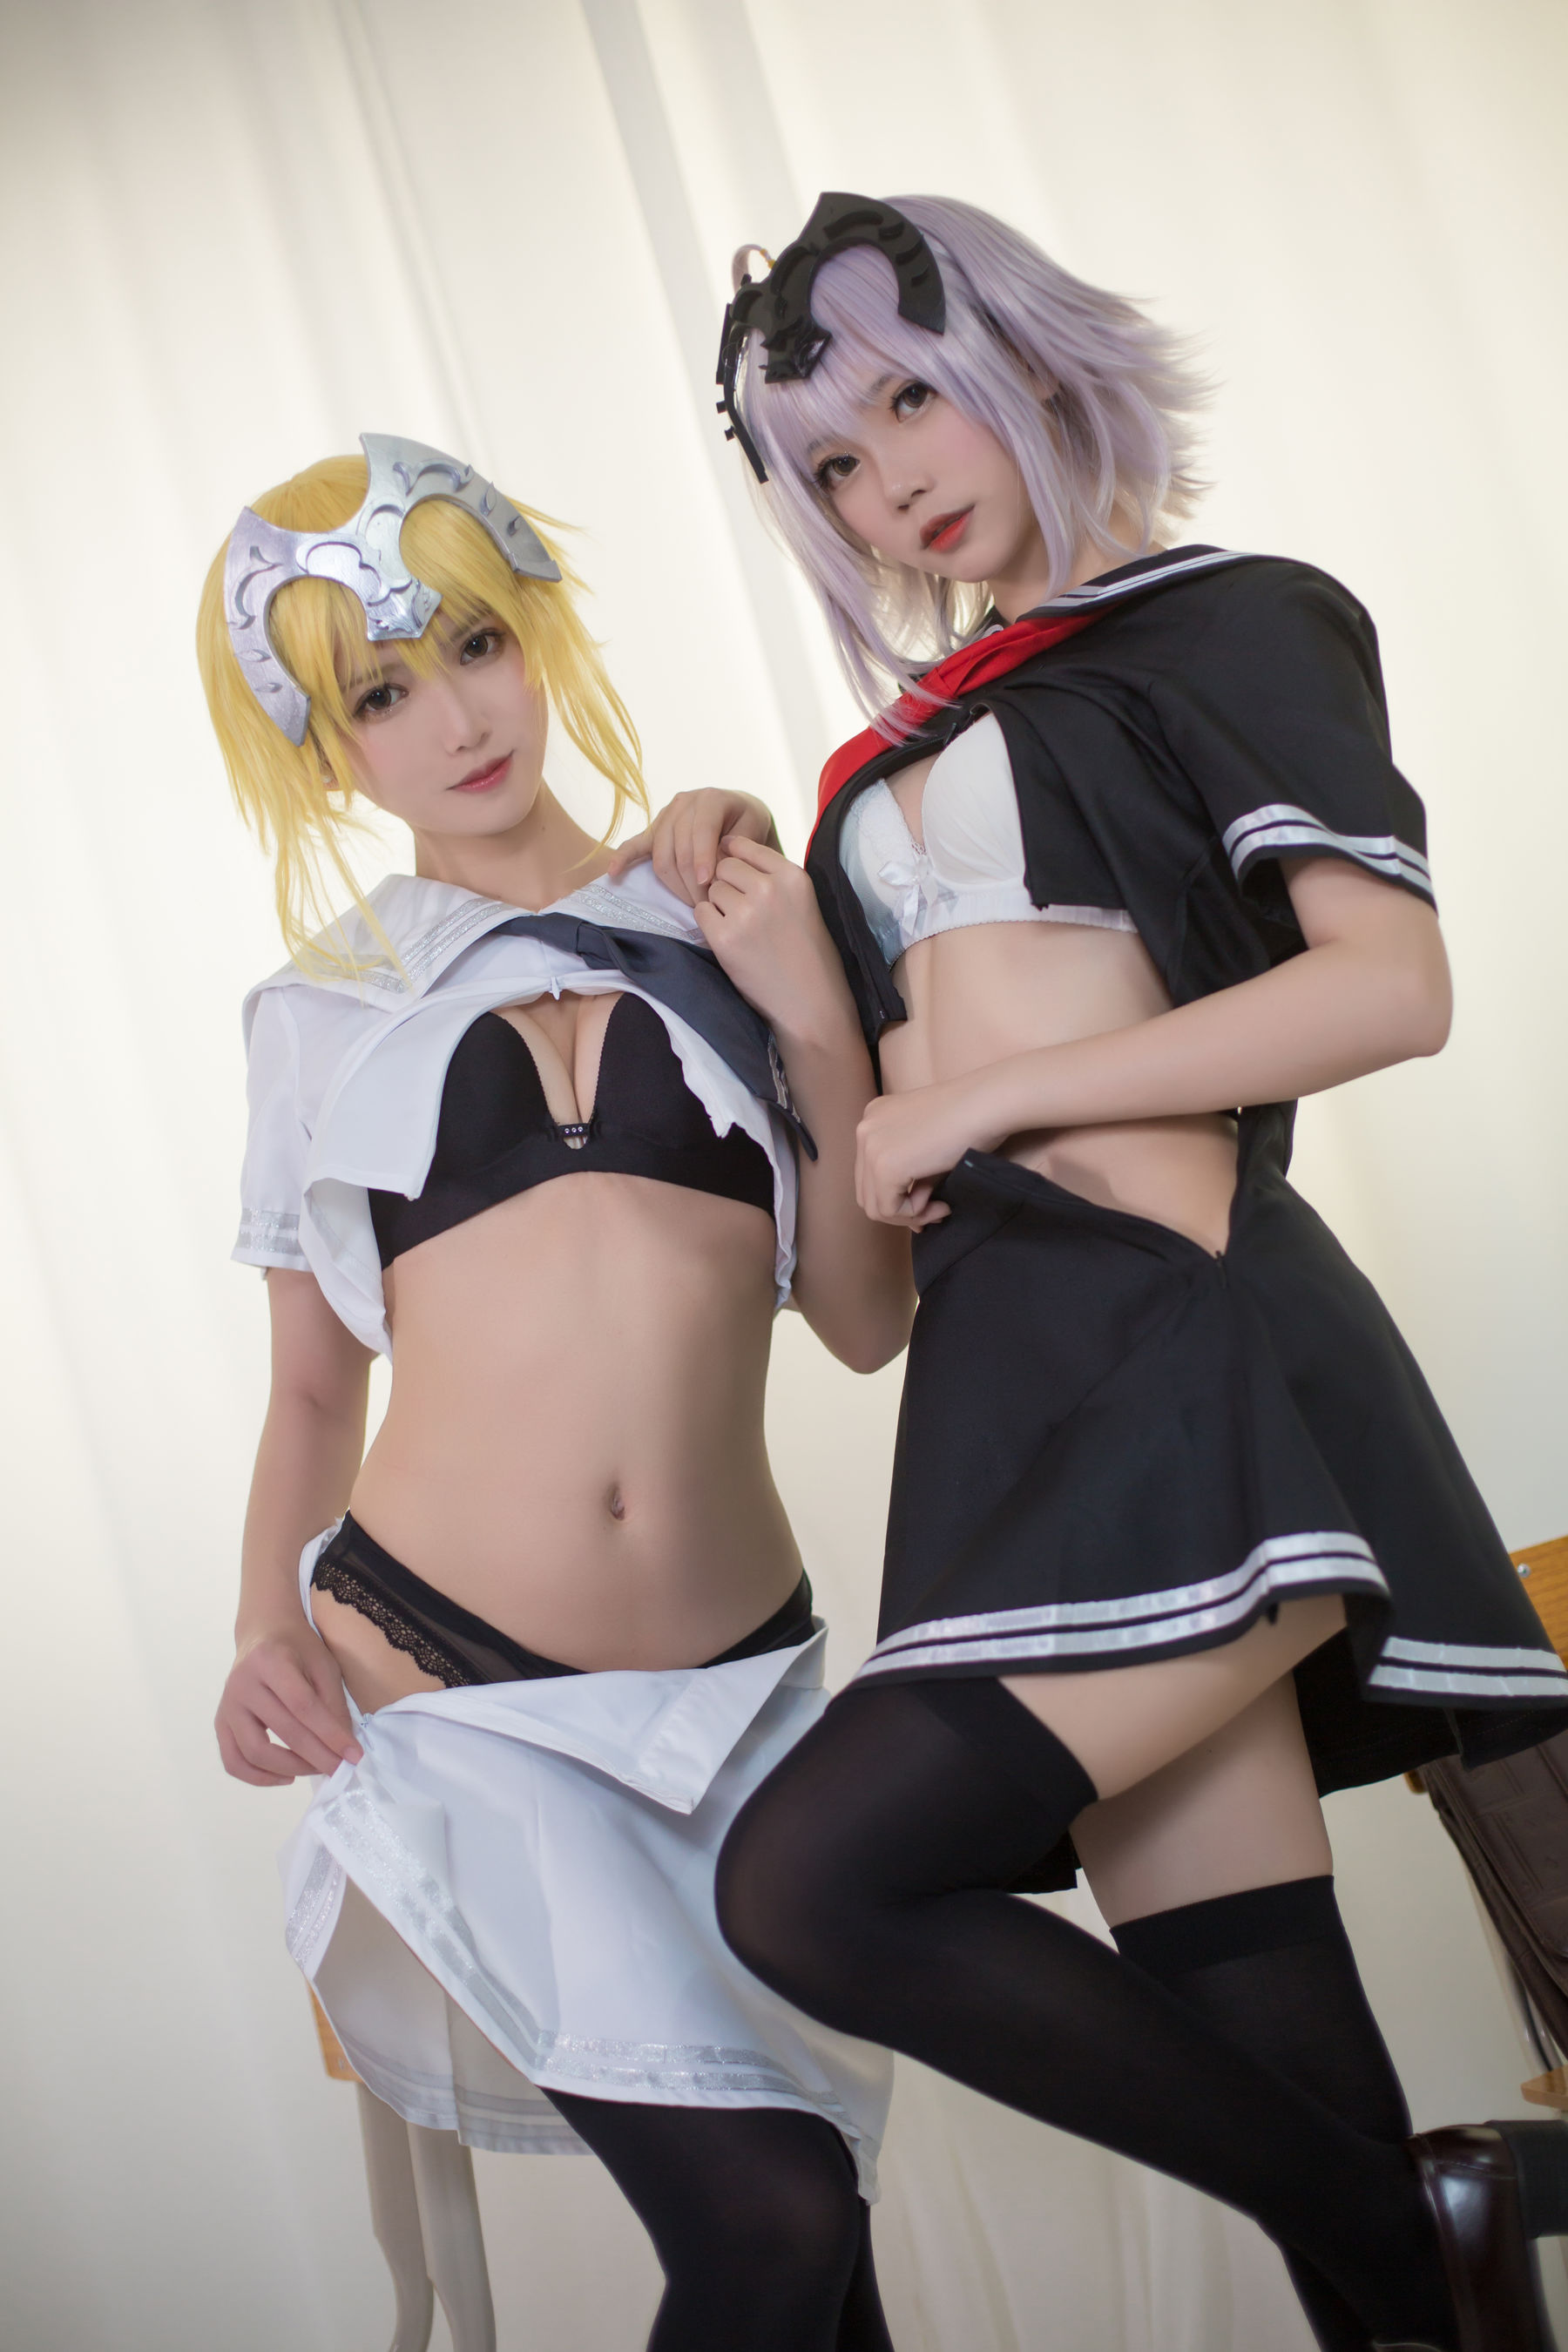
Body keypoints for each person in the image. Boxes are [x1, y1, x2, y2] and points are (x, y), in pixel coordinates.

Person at [621, 194, 1568, 2351]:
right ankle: (1423, 2237)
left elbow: (1392, 985)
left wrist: (987, 1103)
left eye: (910, 398)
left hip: (1190, 1374)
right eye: (833, 461)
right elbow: (867, 1308)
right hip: (1004, 1415)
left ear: (1029, 356)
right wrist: (807, 995)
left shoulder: (1230, 623)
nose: (889, 479)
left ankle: (1428, 2213)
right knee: (1292, 2077)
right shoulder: (890, 762)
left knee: (815, 1882)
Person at [198, 434, 913, 2352]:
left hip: (745, 1694)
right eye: (380, 693)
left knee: (820, 2249)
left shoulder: (733, 912)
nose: (456, 719)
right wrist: (262, 1624)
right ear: (323, 748)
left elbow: (865, 1318)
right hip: (460, 1697)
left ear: (539, 630)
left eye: (475, 645)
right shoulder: (323, 1010)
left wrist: (813, 1005)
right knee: (771, 2232)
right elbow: (309, 1394)